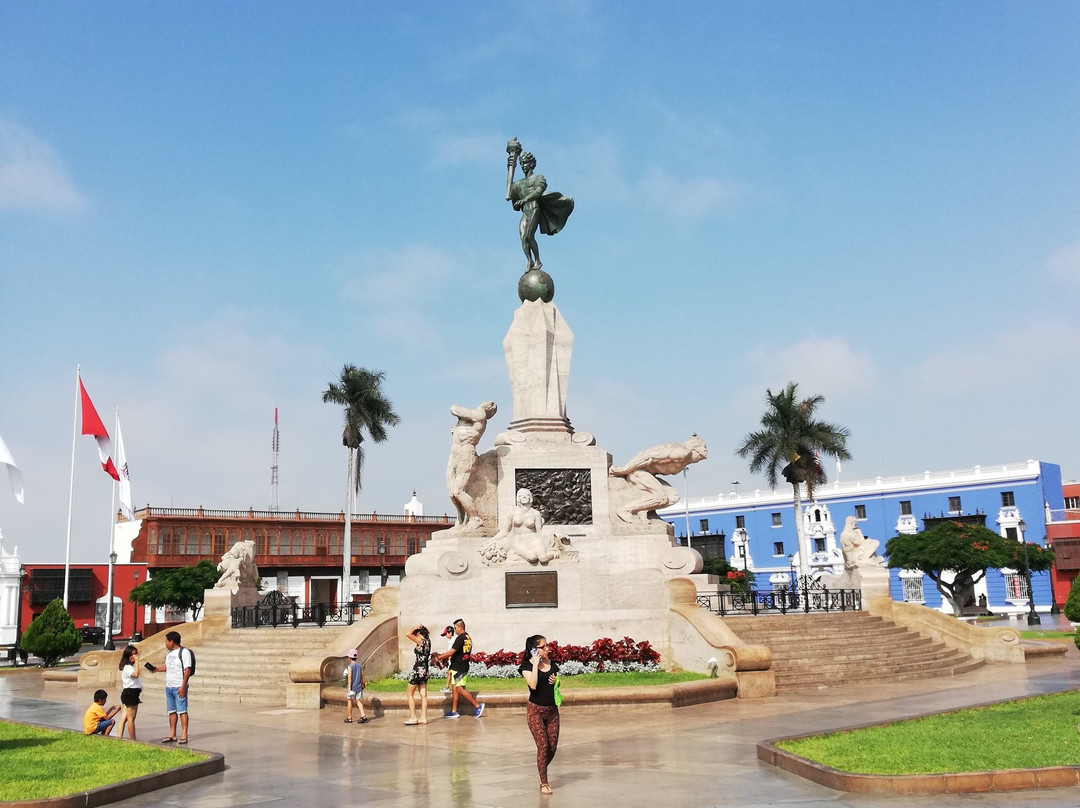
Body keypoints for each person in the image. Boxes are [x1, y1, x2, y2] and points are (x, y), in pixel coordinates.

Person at [506, 140, 574, 272]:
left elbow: (539, 191)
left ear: (531, 164)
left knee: (529, 236)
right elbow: (513, 199)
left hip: (534, 209)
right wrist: (509, 166)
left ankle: (538, 260)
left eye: (525, 163)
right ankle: (529, 261)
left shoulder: (538, 178)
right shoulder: (519, 184)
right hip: (525, 212)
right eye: (521, 164)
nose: (523, 166)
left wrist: (525, 199)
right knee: (523, 238)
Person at [519, 634, 560, 795]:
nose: (547, 649)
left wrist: (556, 680)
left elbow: (557, 684)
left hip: (552, 711)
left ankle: (540, 768)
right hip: (535, 710)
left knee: (552, 747)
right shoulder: (526, 667)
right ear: (533, 650)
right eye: (543, 647)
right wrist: (535, 665)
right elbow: (533, 685)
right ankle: (544, 781)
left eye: (546, 645)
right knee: (543, 745)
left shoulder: (552, 664)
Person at [446, 402, 497, 529]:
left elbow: (454, 408)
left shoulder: (480, 416)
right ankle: (461, 520)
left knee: (458, 491)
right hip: (454, 455)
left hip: (466, 454)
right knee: (452, 493)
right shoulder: (467, 421)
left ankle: (475, 519)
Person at [436, 619, 484, 718]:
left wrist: (439, 657)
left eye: (455, 628)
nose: (455, 630)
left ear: (460, 627)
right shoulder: (467, 637)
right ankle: (454, 711)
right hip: (457, 666)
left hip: (460, 667)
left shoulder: (461, 638)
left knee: (460, 689)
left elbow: (451, 652)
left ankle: (478, 706)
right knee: (454, 689)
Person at [151, 630, 193, 744]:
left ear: (172, 641)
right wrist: (156, 669)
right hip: (169, 687)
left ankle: (184, 735)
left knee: (182, 711)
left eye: (166, 641)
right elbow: (168, 666)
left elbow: (187, 670)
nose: (165, 643)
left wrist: (183, 686)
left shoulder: (184, 652)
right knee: (172, 711)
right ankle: (172, 734)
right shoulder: (169, 653)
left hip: (179, 686)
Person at [403, 625, 431, 725]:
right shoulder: (428, 641)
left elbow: (407, 634)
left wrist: (415, 627)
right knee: (423, 695)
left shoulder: (421, 641)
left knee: (409, 693)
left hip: (418, 669)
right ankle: (423, 718)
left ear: (419, 634)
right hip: (425, 670)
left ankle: (413, 717)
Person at [117, 645, 143, 740]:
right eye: (132, 655)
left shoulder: (127, 667)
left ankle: (119, 737)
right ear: (127, 656)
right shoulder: (128, 667)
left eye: (136, 654)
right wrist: (137, 662)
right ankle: (133, 739)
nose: (134, 656)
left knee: (124, 717)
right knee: (131, 718)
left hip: (129, 693)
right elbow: (135, 674)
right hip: (131, 693)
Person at [344, 649, 368, 724]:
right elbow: (362, 675)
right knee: (358, 700)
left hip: (352, 688)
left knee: (350, 701)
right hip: (359, 687)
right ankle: (363, 715)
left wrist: (349, 688)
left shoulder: (350, 666)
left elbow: (350, 676)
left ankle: (349, 717)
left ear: (349, 657)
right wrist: (363, 683)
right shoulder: (360, 666)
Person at [439, 625, 455, 693]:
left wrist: (443, 656)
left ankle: (448, 687)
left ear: (450, 632)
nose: (446, 635)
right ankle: (448, 687)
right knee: (449, 673)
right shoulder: (451, 640)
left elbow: (451, 652)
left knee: (450, 673)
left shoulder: (453, 641)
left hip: (454, 661)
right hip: (452, 660)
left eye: (446, 634)